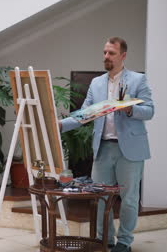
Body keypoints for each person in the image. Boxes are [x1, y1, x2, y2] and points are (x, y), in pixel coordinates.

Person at [60, 37, 154, 252]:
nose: (106, 57)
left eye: (111, 53)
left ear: (123, 56)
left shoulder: (138, 80)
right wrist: (60, 125)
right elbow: (84, 114)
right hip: (103, 148)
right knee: (102, 197)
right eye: (104, 53)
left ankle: (124, 242)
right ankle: (106, 239)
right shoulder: (96, 83)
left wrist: (129, 109)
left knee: (129, 199)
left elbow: (150, 111)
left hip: (130, 149)